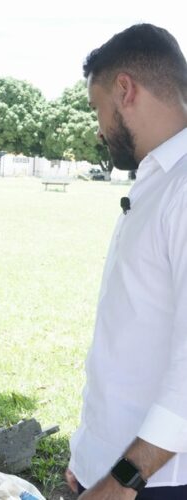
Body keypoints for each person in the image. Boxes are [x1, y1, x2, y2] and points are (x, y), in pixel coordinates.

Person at [66, 24, 187, 499]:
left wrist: (122, 480)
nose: (98, 128)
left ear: (124, 89)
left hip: (157, 480)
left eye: (98, 107)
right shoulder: (160, 175)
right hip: (116, 469)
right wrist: (91, 457)